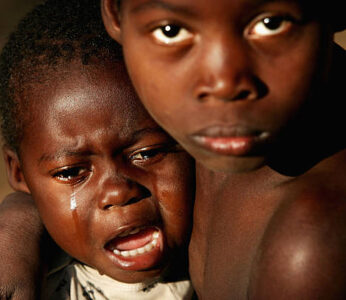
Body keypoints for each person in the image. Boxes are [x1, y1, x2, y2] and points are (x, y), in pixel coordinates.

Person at [100, 0, 346, 299]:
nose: (223, 83)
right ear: (115, 13)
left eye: (271, 24)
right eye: (171, 30)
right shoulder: (206, 130)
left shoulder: (311, 245)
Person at [0, 0, 195, 299]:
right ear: (19, 173)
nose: (118, 192)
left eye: (146, 153)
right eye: (71, 172)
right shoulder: (32, 287)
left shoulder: (230, 239)